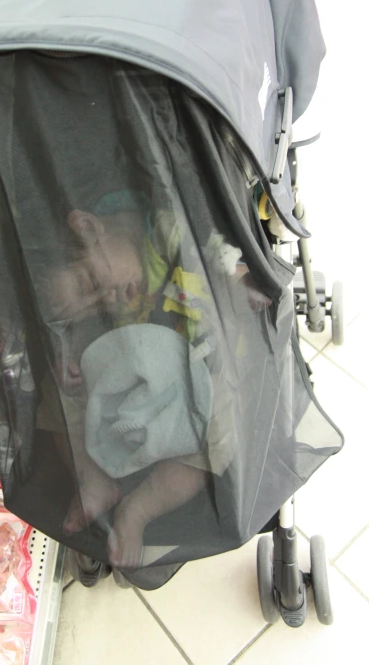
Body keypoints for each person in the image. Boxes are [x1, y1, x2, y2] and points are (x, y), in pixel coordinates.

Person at [42, 191, 269, 568]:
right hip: (139, 381)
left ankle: (139, 509)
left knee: (220, 437)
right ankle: (93, 478)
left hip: (205, 375)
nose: (108, 299)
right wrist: (65, 355)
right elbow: (78, 333)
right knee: (54, 392)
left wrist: (239, 279)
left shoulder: (162, 232)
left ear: (89, 226)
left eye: (94, 285)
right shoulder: (108, 291)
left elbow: (214, 252)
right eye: (96, 305)